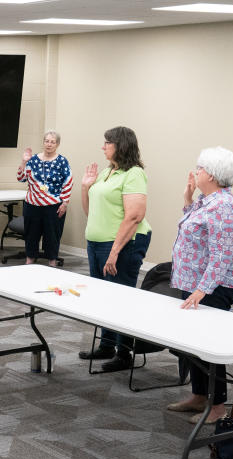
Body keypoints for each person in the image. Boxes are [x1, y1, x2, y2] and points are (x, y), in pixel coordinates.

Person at [166, 147, 233, 425]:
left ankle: (218, 406)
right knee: (195, 342)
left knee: (210, 345)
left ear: (210, 174)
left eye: (199, 168)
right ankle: (200, 395)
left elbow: (222, 254)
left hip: (215, 286)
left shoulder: (223, 206)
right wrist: (188, 198)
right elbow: (194, 227)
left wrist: (203, 290)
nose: (195, 171)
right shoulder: (207, 200)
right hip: (197, 283)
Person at [78, 125, 153, 372]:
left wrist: (114, 252)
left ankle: (125, 353)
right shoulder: (107, 171)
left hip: (122, 244)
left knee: (121, 297)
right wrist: (85, 187)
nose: (103, 147)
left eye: (107, 143)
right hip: (97, 242)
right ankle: (107, 345)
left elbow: (134, 216)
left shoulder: (134, 174)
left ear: (120, 145)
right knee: (103, 296)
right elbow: (92, 212)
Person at [16, 130, 72, 266]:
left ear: (57, 144)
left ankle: (52, 262)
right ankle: (29, 260)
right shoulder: (33, 159)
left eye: (52, 142)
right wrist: (24, 162)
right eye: (47, 141)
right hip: (32, 204)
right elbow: (21, 178)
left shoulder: (62, 161)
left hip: (53, 206)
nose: (49, 144)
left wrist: (65, 203)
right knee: (31, 235)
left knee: (52, 235)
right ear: (43, 142)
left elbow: (68, 182)